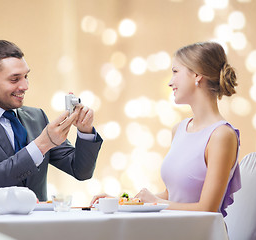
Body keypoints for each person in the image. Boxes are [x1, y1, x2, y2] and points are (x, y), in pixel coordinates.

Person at [0, 40, 103, 209]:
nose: (25, 86)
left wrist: (85, 131)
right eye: (15, 79)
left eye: (26, 77)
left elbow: (81, 171)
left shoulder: (36, 117)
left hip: (39, 227)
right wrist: (42, 144)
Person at [91, 41, 240, 217]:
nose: (170, 82)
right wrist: (120, 202)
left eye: (175, 72)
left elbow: (207, 208)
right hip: (173, 228)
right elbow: (173, 196)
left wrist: (154, 202)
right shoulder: (179, 129)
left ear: (197, 75)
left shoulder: (221, 135)